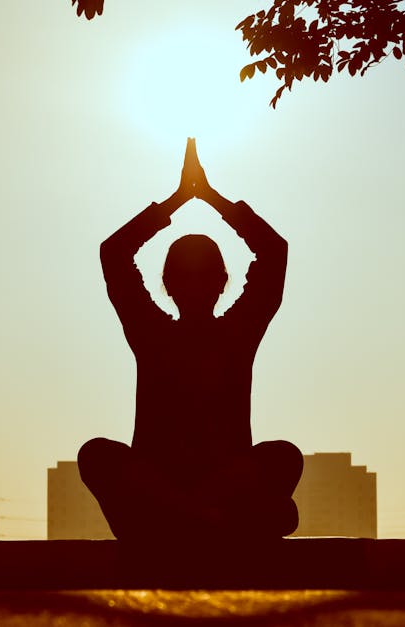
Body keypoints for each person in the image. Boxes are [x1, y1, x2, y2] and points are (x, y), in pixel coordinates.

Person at [79, 139, 303, 541]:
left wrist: (209, 198)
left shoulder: (236, 333)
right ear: (167, 284)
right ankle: (202, 517)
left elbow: (274, 252)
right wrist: (181, 199)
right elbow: (113, 254)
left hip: (208, 493)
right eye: (186, 276)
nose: (195, 285)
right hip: (164, 492)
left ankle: (192, 516)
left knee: (284, 456)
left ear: (221, 283)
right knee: (95, 455)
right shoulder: (152, 333)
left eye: (203, 276)